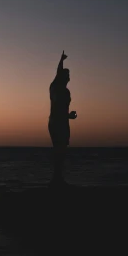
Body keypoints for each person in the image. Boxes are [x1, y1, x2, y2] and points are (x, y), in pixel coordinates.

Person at [48, 51, 77, 185]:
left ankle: (58, 177)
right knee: (60, 150)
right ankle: (57, 178)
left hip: (60, 122)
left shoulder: (60, 89)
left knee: (61, 150)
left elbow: (58, 72)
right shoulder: (57, 89)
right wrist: (69, 115)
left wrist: (61, 60)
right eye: (67, 75)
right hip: (58, 122)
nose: (69, 78)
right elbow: (59, 110)